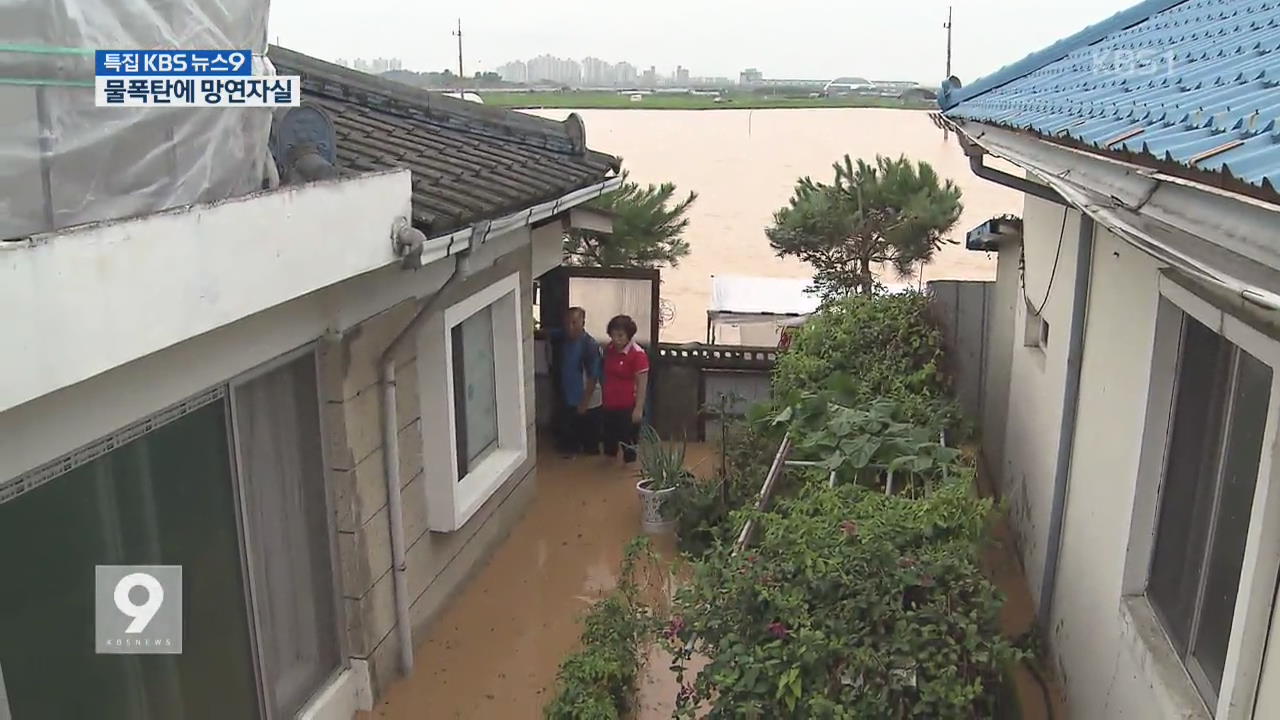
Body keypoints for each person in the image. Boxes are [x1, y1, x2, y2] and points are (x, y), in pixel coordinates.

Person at [547, 307, 603, 456]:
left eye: (574, 323)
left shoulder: (590, 345)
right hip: (568, 399)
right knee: (567, 445)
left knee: (590, 448)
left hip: (588, 401)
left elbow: (593, 376)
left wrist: (584, 403)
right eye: (566, 323)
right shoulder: (561, 339)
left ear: (582, 323)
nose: (569, 327)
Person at [600, 314, 650, 463]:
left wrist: (638, 409)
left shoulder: (638, 354)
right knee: (609, 447)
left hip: (628, 407)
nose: (616, 339)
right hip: (609, 405)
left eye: (620, 336)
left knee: (629, 449)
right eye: (613, 335)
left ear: (629, 335)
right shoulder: (609, 349)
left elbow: (642, 383)